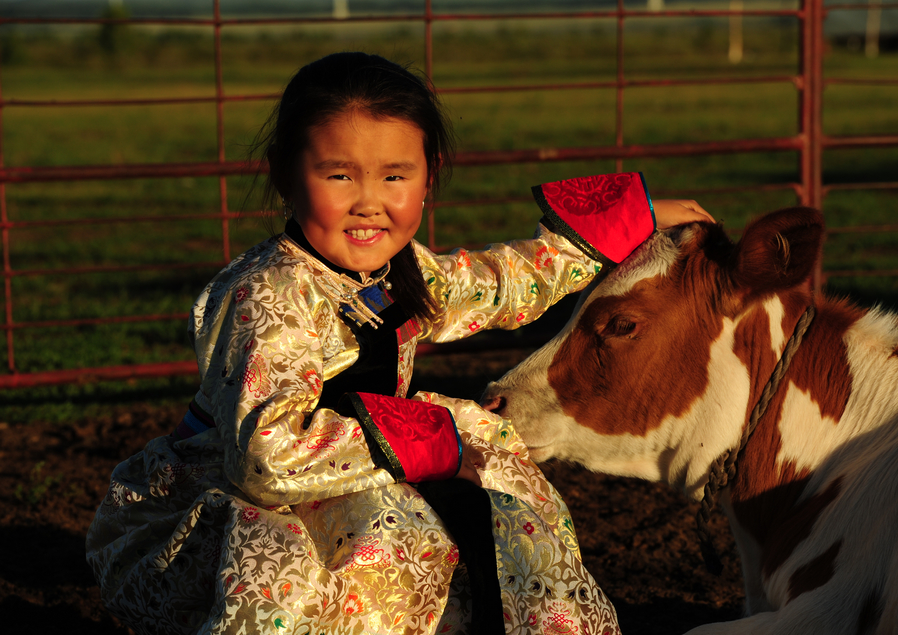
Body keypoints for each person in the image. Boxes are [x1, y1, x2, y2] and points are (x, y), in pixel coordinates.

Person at [86, 52, 714, 635]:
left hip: (356, 475)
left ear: (428, 175)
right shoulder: (265, 297)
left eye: (394, 176)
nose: (369, 204)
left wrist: (629, 222)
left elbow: (496, 285)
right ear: (284, 172)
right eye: (339, 175)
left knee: (503, 503)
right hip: (243, 509)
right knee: (381, 538)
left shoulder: (399, 272)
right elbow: (265, 458)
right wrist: (429, 439)